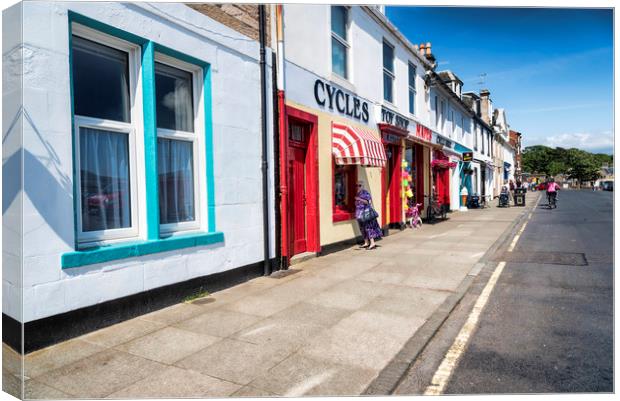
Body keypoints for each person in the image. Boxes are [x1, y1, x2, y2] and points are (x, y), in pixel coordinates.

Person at [355, 181, 382, 250]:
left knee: (368, 228)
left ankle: (372, 243)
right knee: (362, 228)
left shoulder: (365, 193)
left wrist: (359, 199)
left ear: (362, 186)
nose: (358, 187)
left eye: (359, 185)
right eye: (356, 185)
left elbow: (368, 202)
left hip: (365, 213)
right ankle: (366, 242)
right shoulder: (358, 193)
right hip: (359, 214)